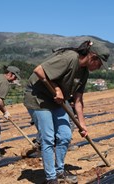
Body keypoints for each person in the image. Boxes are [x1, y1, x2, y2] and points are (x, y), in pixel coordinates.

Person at [23, 40, 109, 184]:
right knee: (48, 138)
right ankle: (51, 178)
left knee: (65, 135)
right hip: (38, 98)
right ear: (92, 57)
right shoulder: (69, 58)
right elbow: (39, 70)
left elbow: (78, 100)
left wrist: (82, 124)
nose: (99, 67)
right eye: (99, 63)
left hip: (57, 101)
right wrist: (56, 89)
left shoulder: (84, 73)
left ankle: (60, 171)